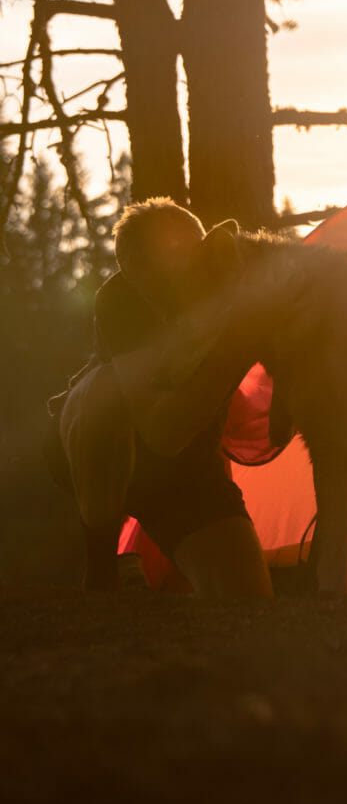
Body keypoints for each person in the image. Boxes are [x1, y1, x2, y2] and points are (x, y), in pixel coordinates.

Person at [46, 197, 274, 600]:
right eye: (175, 256)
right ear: (135, 271)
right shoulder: (121, 300)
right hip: (116, 450)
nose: (194, 266)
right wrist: (238, 348)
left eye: (197, 249)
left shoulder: (231, 285)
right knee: (102, 394)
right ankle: (103, 569)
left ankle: (160, 569)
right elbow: (162, 433)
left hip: (188, 469)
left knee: (246, 600)